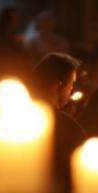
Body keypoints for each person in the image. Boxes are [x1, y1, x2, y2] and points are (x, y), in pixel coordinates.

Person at [29, 52, 87, 185]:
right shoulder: (70, 129)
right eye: (71, 84)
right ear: (58, 85)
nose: (72, 91)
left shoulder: (10, 119)